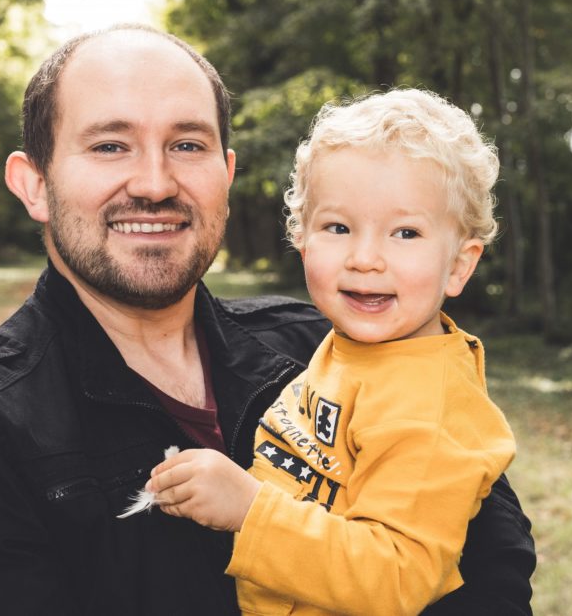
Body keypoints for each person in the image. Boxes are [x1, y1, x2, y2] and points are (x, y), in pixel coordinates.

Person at [0, 24, 535, 615]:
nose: (155, 183)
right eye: (111, 145)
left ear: (225, 175)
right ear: (34, 183)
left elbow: (494, 577)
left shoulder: (332, 346)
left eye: (186, 144)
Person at [146, 89, 515, 615]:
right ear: (302, 239)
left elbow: (396, 576)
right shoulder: (347, 347)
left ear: (460, 265)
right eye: (338, 228)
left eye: (405, 232)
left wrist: (249, 510)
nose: (365, 258)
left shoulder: (430, 409)